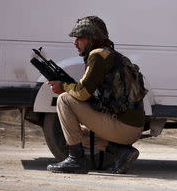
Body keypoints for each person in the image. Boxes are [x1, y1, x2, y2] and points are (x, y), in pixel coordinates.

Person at [46, 16, 145, 174]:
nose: (75, 42)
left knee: (64, 100)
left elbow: (82, 93)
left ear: (92, 38)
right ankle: (121, 151)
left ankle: (76, 160)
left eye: (80, 37)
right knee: (79, 133)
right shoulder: (110, 54)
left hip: (123, 127)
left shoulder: (98, 55)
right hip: (131, 128)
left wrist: (63, 86)